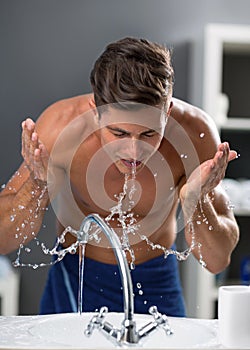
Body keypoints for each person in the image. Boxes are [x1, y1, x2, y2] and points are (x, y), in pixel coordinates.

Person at [0, 37, 239, 317]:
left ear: (167, 113)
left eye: (149, 134)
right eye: (119, 133)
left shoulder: (194, 134)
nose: (134, 151)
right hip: (76, 279)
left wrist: (195, 200)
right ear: (96, 112)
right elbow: (4, 240)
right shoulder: (60, 130)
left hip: (156, 280)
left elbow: (217, 261)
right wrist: (36, 184)